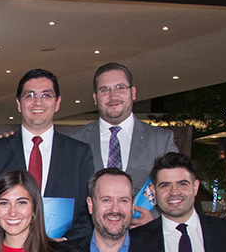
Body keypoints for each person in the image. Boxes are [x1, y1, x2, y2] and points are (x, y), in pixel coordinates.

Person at [0, 69, 96, 241]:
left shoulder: (79, 153)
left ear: (57, 102)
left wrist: (63, 243)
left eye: (46, 95)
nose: (37, 102)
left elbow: (88, 210)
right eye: (30, 95)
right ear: (19, 103)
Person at [68, 63, 178, 222]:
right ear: (95, 97)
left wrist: (155, 218)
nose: (113, 96)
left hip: (144, 238)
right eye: (104, 90)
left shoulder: (161, 140)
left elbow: (175, 190)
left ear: (132, 92)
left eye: (120, 87)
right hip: (90, 239)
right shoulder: (74, 140)